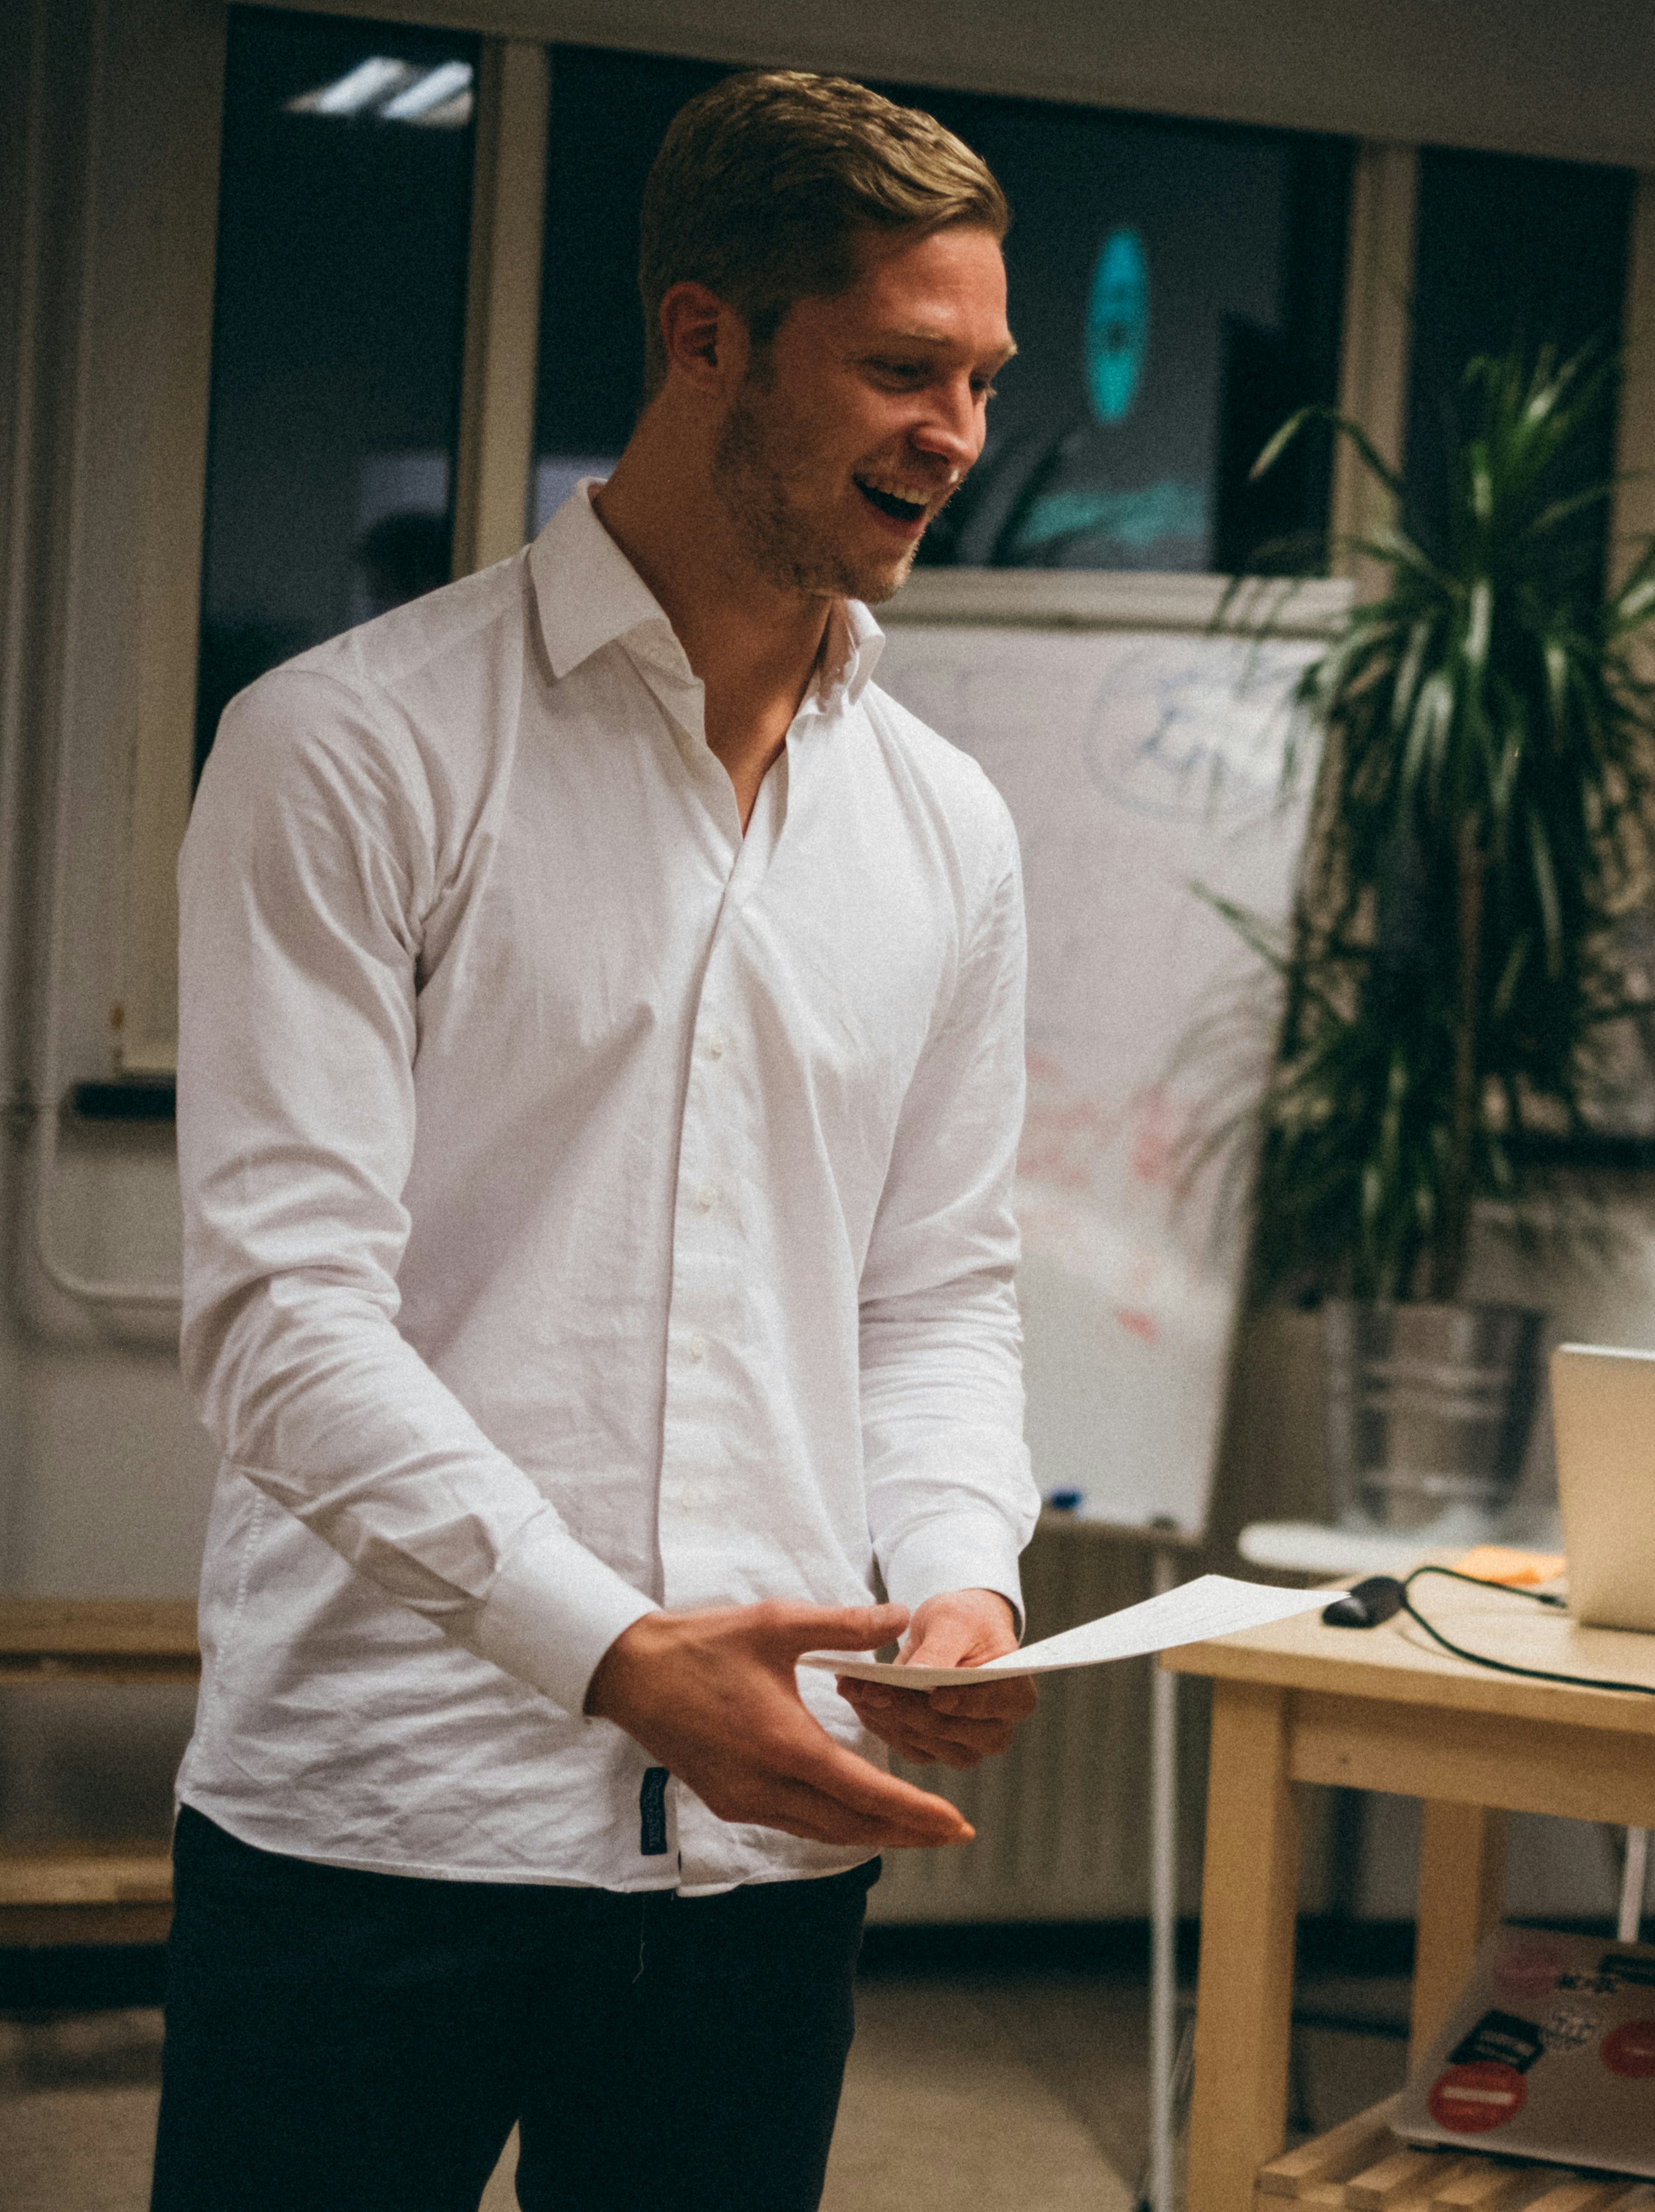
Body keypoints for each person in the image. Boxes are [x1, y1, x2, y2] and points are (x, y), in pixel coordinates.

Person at [164, 72, 1041, 2212]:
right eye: (902, 368)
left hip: (765, 1842)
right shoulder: (351, 748)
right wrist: (617, 1652)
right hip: (380, 1812)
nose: (960, 434)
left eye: (983, 377)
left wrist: (957, 1570)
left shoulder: (948, 829)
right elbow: (284, 1319)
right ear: (705, 336)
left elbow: (933, 1291)